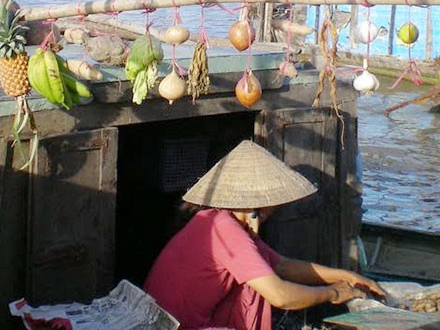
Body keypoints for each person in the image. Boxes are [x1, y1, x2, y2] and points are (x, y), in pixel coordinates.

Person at [144, 140, 384, 330]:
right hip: (176, 326)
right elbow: (280, 295)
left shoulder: (213, 219)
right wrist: (332, 293)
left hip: (163, 319)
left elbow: (282, 266)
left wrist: (346, 275)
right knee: (258, 288)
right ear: (257, 205)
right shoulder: (225, 229)